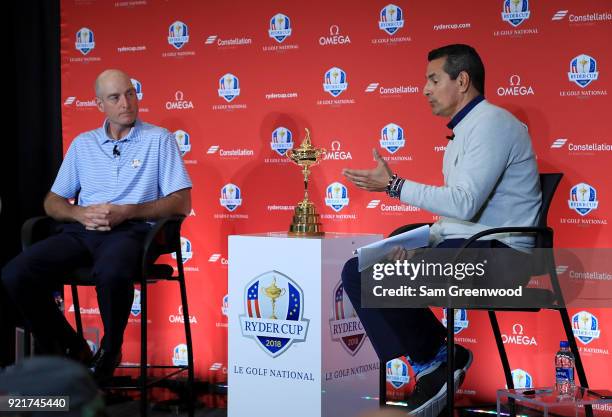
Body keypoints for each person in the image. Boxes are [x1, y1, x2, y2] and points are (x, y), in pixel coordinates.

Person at [341, 44, 541, 416]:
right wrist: (420, 241)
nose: (425, 89)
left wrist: (395, 186)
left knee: (384, 272)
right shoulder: (465, 131)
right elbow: (461, 214)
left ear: (462, 81)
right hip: (472, 245)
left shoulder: (493, 123)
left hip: (503, 257)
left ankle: (439, 360)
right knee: (359, 271)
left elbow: (464, 203)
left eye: (433, 79)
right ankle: (434, 360)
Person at [1, 69, 192, 384]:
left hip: (132, 230)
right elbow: (52, 201)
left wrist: (128, 211)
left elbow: (181, 203)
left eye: (130, 93)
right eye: (115, 97)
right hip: (81, 231)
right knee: (14, 274)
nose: (126, 103)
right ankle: (71, 344)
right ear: (99, 103)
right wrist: (79, 214)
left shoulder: (159, 140)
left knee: (113, 269)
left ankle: (111, 348)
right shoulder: (83, 144)